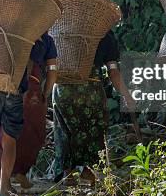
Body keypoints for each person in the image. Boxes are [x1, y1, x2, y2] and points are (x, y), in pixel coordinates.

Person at [52, 30, 136, 186]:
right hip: (90, 89)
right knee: (93, 131)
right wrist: (126, 95)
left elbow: (49, 65)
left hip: (63, 89)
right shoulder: (104, 33)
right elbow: (113, 71)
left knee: (64, 132)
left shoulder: (60, 29)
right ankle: (88, 172)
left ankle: (67, 175)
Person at [0, 33, 58, 189]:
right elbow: (52, 71)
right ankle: (19, 173)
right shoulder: (46, 40)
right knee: (33, 133)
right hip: (32, 89)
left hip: (4, 84)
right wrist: (45, 94)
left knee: (4, 131)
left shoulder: (11, 30)